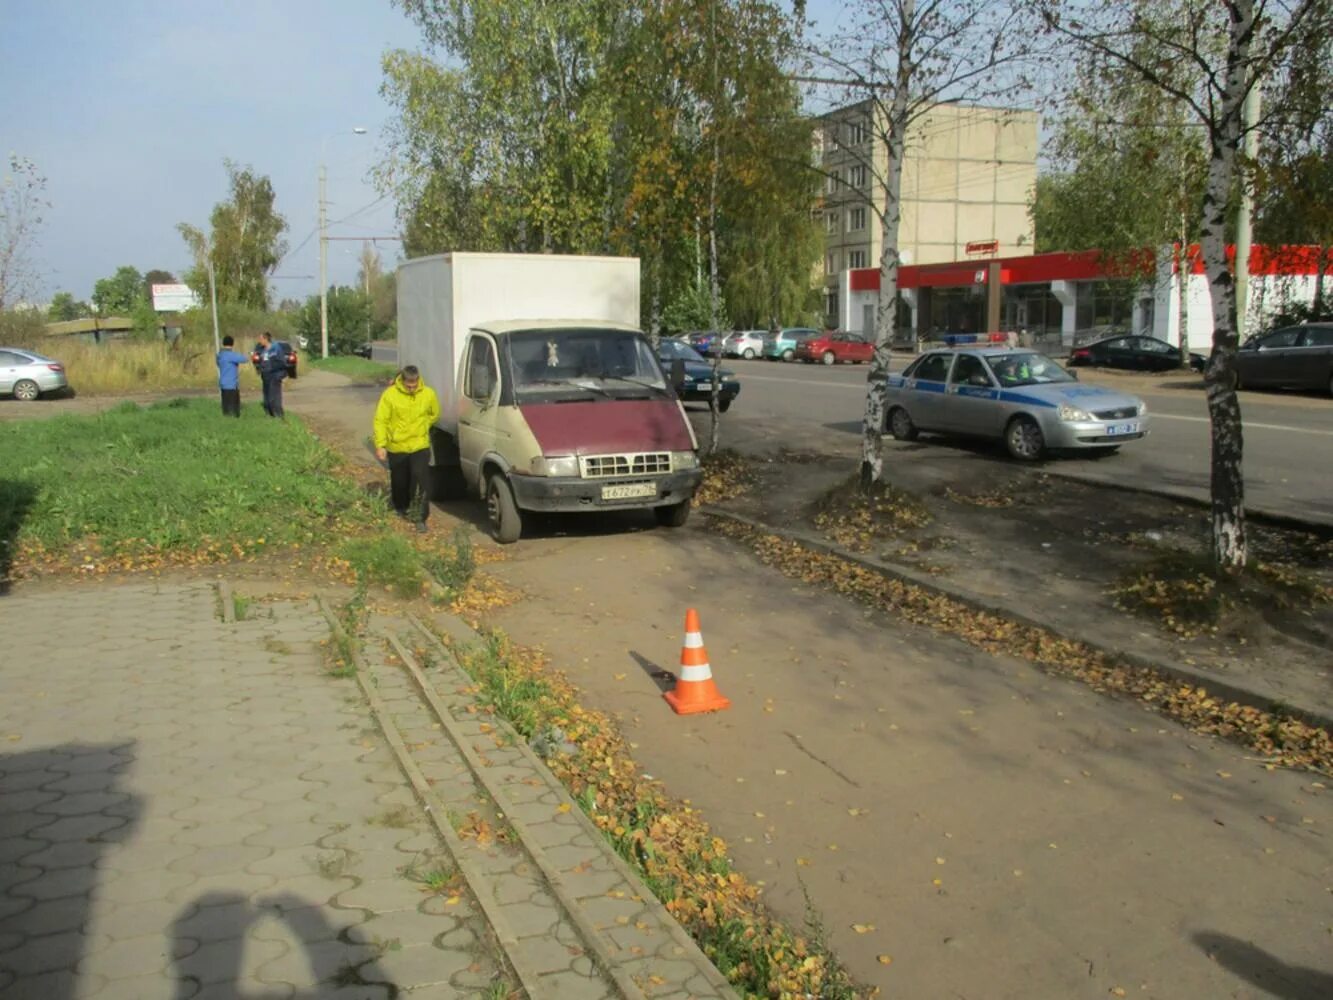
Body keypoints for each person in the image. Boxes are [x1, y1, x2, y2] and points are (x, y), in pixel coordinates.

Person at [373, 365, 441, 533]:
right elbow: (381, 420)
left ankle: (420, 516)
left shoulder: (428, 394)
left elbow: (435, 414)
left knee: (420, 479)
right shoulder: (390, 395)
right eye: (408, 386)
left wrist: (424, 424)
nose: (412, 389)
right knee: (400, 481)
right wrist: (380, 444)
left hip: (419, 445)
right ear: (401, 381)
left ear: (418, 380)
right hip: (398, 446)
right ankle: (401, 506)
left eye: (414, 385)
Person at [255, 331, 287, 418]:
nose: (259, 341)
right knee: (267, 395)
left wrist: (280, 374)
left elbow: (282, 362)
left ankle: (278, 414)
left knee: (275, 396)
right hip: (266, 376)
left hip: (275, 375)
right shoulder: (263, 350)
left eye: (261, 339)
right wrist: (259, 368)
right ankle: (269, 413)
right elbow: (262, 362)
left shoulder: (276, 348)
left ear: (266, 339)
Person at [215, 335, 247, 417]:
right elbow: (244, 359)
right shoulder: (231, 355)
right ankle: (233, 420)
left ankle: (226, 419)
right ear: (232, 344)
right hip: (232, 384)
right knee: (233, 408)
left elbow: (218, 363)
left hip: (223, 383)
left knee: (225, 406)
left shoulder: (220, 355)